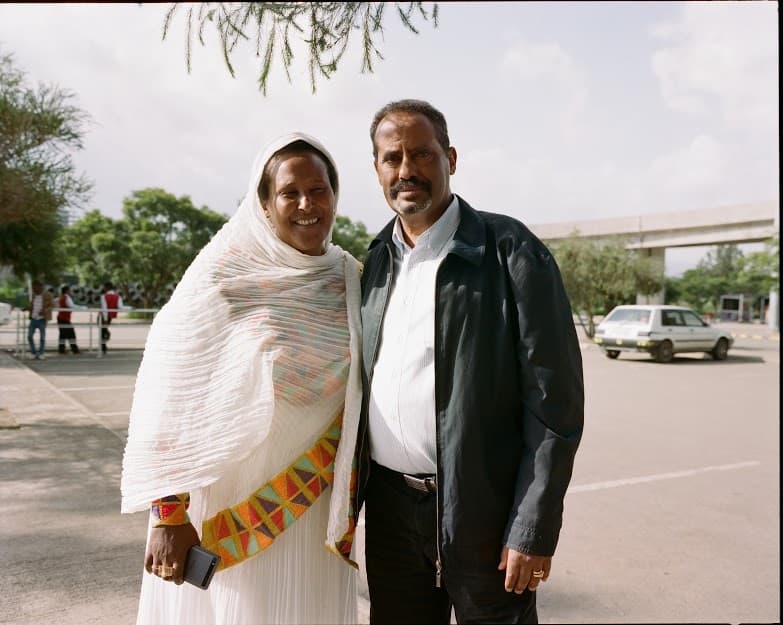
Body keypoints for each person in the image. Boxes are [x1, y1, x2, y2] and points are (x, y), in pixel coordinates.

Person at [356, 99, 584, 624]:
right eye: (392, 158)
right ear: (377, 170)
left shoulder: (510, 250)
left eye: (422, 154)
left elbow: (556, 407)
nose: (407, 170)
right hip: (390, 514)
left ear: (451, 158)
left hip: (485, 514)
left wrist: (532, 526)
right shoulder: (374, 263)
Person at [120, 133, 362, 625]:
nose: (306, 205)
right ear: (264, 203)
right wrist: (168, 513)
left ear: (335, 196)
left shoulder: (351, 278)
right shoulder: (223, 276)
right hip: (221, 508)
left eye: (318, 190)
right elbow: (167, 394)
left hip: (313, 509)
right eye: (289, 192)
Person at [24, 280, 54, 360]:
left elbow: (52, 305)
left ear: (39, 287)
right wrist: (27, 308)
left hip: (42, 319)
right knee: (30, 336)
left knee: (42, 337)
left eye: (34, 287)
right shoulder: (34, 295)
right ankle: (33, 353)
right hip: (33, 318)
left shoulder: (48, 295)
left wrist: (45, 311)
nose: (33, 289)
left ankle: (41, 353)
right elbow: (33, 305)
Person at [99, 282, 132, 354]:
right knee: (104, 331)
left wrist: (104, 319)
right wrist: (130, 308)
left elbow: (104, 309)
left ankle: (103, 348)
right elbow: (121, 307)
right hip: (110, 316)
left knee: (102, 332)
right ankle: (103, 347)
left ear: (107, 288)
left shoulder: (103, 296)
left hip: (104, 317)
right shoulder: (118, 296)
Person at [57, 285, 87, 354]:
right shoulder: (67, 297)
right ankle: (75, 350)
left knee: (62, 334)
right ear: (67, 291)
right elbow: (72, 306)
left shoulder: (61, 297)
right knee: (71, 334)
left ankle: (61, 350)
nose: (71, 292)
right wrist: (82, 307)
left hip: (61, 317)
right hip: (64, 318)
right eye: (69, 290)